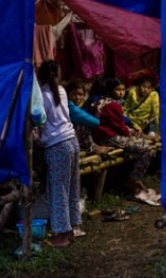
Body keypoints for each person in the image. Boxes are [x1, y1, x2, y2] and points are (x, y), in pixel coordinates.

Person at [37, 60, 82, 247]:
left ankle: (61, 235)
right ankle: (70, 229)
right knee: (71, 187)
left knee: (58, 191)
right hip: (72, 141)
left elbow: (38, 121)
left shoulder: (42, 97)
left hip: (57, 147)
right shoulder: (61, 91)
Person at [92, 78, 154, 198]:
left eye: (123, 89)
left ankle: (128, 178)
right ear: (110, 90)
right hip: (108, 138)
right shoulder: (113, 105)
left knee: (140, 142)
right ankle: (133, 179)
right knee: (146, 149)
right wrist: (131, 133)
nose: (121, 92)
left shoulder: (101, 101)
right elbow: (120, 127)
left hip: (101, 137)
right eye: (118, 90)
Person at [65, 79, 111, 158]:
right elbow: (95, 123)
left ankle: (92, 146)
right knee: (83, 125)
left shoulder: (76, 106)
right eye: (74, 94)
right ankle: (91, 148)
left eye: (80, 94)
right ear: (68, 94)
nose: (77, 97)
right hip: (68, 141)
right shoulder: (70, 106)